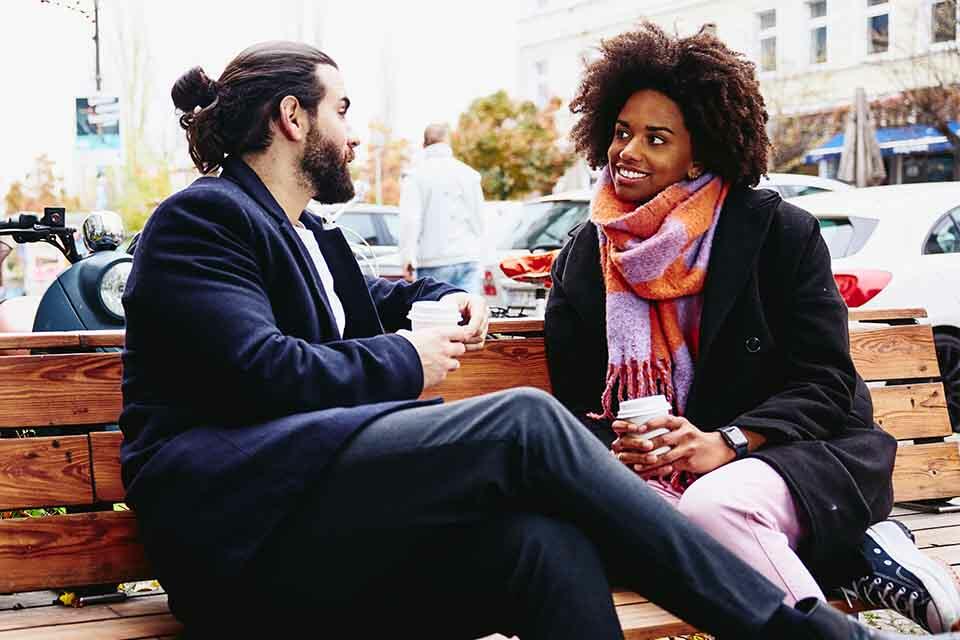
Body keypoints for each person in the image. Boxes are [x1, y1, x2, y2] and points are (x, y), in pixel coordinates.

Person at [119, 40, 960, 639]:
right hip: (235, 535)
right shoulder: (203, 219)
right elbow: (260, 373)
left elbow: (383, 301)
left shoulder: (316, 236)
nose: (356, 130)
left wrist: (447, 299)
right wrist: (410, 357)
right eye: (342, 109)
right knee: (523, 422)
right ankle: (789, 633)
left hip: (318, 525)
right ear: (293, 117)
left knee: (544, 548)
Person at [544, 22, 960, 635]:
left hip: (800, 456)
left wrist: (728, 443)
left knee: (715, 505)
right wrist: (628, 447)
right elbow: (579, 399)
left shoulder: (776, 233)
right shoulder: (586, 254)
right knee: (633, 520)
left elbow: (825, 384)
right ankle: (851, 554)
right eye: (622, 131)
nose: (627, 152)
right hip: (664, 476)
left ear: (702, 152)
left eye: (656, 139)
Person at [399, 122, 485, 293]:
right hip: (467, 257)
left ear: (424, 144)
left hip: (432, 261)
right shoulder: (469, 174)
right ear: (448, 142)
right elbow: (479, 220)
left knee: (437, 318)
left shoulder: (416, 176)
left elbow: (410, 220)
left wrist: (407, 257)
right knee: (468, 316)